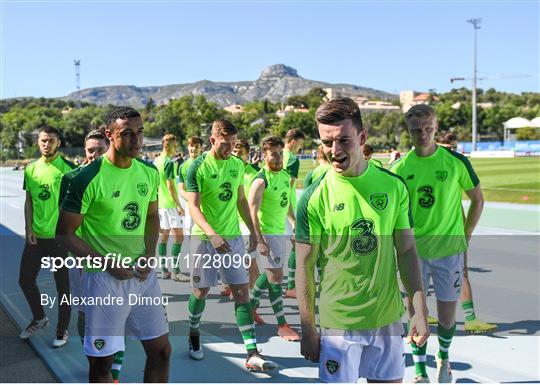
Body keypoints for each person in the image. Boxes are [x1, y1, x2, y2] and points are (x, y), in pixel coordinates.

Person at [296, 97, 429, 383]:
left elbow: (406, 251)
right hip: (339, 324)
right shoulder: (313, 197)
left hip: (387, 320)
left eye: (344, 140)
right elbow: (304, 267)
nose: (335, 151)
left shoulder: (393, 186)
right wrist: (308, 328)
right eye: (326, 142)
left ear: (362, 137)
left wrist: (418, 309)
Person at [56, 107, 171, 382]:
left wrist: (149, 253)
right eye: (127, 134)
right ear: (110, 134)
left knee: (162, 351)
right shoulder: (86, 178)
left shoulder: (148, 172)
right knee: (102, 364)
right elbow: (64, 234)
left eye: (140, 132)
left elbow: (152, 215)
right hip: (104, 279)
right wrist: (108, 263)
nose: (136, 140)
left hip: (142, 277)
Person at [391, 104, 485, 383]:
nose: (423, 134)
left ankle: (443, 358)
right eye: (416, 130)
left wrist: (466, 235)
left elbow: (478, 199)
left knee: (446, 317)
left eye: (428, 129)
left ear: (436, 127)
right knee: (416, 314)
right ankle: (420, 372)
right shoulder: (398, 168)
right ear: (408, 131)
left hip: (448, 253)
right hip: (412, 255)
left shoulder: (456, 162)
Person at [184, 119, 277, 372]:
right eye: (226, 144)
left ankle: (252, 352)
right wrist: (212, 234)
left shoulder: (237, 164)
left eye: (234, 144)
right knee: (200, 292)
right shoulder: (197, 167)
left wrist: (255, 232)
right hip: (204, 240)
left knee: (241, 293)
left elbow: (240, 200)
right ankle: (193, 332)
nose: (231, 149)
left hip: (233, 240)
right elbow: (193, 206)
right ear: (212, 140)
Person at [58, 128, 126, 382]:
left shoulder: (122, 176)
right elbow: (65, 227)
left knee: (117, 315)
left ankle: (113, 374)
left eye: (100, 149)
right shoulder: (73, 179)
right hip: (83, 260)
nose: (95, 155)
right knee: (86, 315)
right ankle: (96, 362)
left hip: (117, 258)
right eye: (90, 150)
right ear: (84, 152)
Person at [18, 125, 76, 348]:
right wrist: (28, 229)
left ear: (58, 143)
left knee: (63, 288)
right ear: (38, 142)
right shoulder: (30, 169)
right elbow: (29, 201)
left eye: (51, 140)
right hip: (36, 237)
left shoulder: (69, 170)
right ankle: (39, 317)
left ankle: (62, 331)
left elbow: (74, 207)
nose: (46, 144)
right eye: (43, 140)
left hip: (59, 239)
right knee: (25, 280)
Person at [436, 132, 497, 333]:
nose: (451, 151)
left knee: (459, 271)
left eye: (453, 147)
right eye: (448, 147)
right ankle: (467, 318)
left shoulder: (454, 164)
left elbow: (476, 198)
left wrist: (467, 231)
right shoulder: (449, 163)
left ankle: (469, 318)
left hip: (452, 229)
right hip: (439, 230)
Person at [247, 136, 299, 340]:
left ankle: (249, 307)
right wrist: (259, 240)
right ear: (264, 156)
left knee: (272, 275)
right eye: (273, 154)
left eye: (280, 154)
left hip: (280, 232)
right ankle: (282, 324)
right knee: (276, 278)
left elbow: (286, 204)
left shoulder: (285, 175)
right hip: (267, 234)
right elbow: (252, 212)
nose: (277, 158)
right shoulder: (261, 180)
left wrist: (294, 224)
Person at [221, 139, 261, 299]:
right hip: (229, 223)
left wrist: (253, 229)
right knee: (231, 260)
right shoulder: (227, 168)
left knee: (250, 260)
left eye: (239, 152)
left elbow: (251, 204)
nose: (235, 154)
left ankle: (251, 297)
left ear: (247, 154)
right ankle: (232, 286)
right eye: (234, 151)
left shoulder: (254, 174)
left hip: (245, 223)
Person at [154, 133, 189, 282]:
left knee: (163, 237)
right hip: (169, 205)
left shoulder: (156, 161)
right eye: (175, 145)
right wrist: (178, 205)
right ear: (169, 145)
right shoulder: (168, 162)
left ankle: (163, 270)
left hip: (161, 204)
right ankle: (175, 270)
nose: (177, 148)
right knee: (179, 237)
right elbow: (170, 186)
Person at [282, 129, 305, 299]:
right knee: (295, 245)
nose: (300, 149)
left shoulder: (277, 155)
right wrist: (292, 219)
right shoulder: (292, 160)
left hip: (272, 208)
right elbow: (287, 190)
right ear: (293, 142)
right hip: (285, 209)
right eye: (300, 145)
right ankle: (290, 286)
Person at [178, 136, 204, 238]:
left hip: (206, 205)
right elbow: (181, 189)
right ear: (188, 147)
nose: (193, 149)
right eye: (191, 146)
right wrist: (192, 199)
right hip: (191, 206)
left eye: (197, 146)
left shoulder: (206, 163)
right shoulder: (183, 166)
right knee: (190, 231)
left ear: (201, 148)